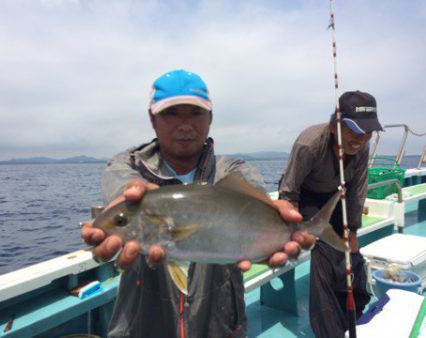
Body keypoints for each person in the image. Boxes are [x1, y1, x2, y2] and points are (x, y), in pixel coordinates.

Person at [81, 69, 315, 338]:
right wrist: (128, 194)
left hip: (220, 327)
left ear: (210, 118)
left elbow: (252, 196)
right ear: (152, 119)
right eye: (170, 114)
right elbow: (121, 182)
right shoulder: (128, 166)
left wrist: (281, 228)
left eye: (194, 113)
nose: (184, 125)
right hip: (142, 328)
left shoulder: (233, 170)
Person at [279, 91, 383, 337]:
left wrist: (353, 232)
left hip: (336, 195)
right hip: (305, 195)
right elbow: (289, 191)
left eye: (368, 132)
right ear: (336, 124)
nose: (361, 138)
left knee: (350, 254)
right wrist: (292, 230)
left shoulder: (361, 146)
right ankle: (329, 330)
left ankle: (352, 313)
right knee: (324, 248)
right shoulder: (310, 143)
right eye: (355, 130)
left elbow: (357, 189)